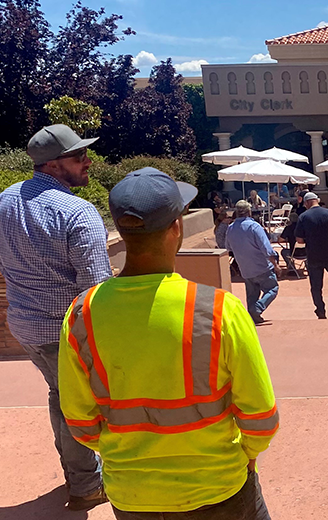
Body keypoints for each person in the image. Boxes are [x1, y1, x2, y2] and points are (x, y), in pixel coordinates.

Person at [59, 168, 279, 519]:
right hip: (219, 488)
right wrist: (247, 454)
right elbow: (261, 417)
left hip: (132, 495)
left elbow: (81, 423)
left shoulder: (82, 314)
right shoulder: (220, 309)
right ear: (176, 227)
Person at [0, 124, 109, 511]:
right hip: (66, 332)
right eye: (79, 157)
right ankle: (87, 485)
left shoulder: (6, 199)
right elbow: (96, 289)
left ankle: (79, 476)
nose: (87, 162)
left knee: (60, 398)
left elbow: (0, 261)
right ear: (56, 166)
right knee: (79, 405)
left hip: (25, 326)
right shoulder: (78, 211)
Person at [294, 192, 328, 319]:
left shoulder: (303, 217)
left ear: (307, 202)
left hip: (313, 255)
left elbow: (299, 240)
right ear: (317, 200)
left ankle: (320, 310)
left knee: (316, 285)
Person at [227, 201, 280, 324]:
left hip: (245, 269)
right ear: (249, 212)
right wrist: (276, 265)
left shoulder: (231, 228)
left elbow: (228, 247)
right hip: (262, 267)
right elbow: (267, 249)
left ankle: (253, 316)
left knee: (252, 295)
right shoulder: (254, 227)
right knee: (272, 288)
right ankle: (258, 308)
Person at [277, 211, 303, 279]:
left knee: (284, 251)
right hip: (306, 251)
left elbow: (280, 240)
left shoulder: (289, 228)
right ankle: (308, 266)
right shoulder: (304, 227)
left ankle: (291, 268)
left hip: (294, 252)